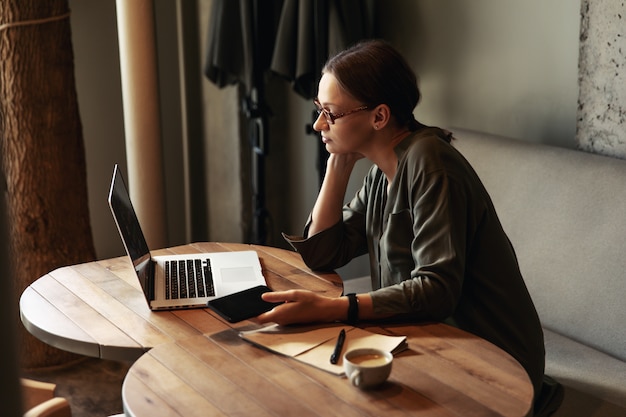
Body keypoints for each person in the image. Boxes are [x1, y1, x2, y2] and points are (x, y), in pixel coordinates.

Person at [257, 39, 545, 402]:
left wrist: (333, 308)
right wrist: (337, 167)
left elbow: (436, 290)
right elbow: (324, 253)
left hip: (492, 357)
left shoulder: (430, 163)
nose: (317, 125)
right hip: (425, 336)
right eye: (319, 109)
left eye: (330, 113)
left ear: (379, 116)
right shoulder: (382, 173)